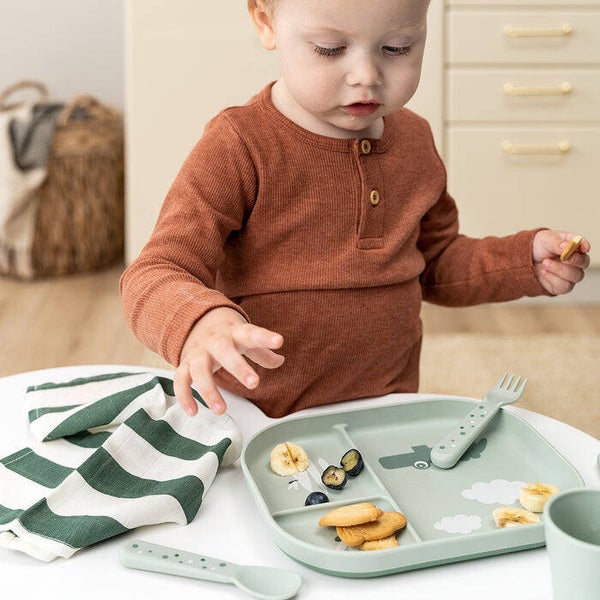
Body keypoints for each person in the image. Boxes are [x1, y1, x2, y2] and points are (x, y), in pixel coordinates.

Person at [120, 0, 590, 419]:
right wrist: (199, 321)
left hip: (386, 414)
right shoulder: (238, 146)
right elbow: (155, 272)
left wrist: (521, 260)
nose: (367, 74)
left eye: (398, 47)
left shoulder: (415, 141)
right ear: (266, 23)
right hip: (254, 420)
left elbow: (436, 261)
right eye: (330, 49)